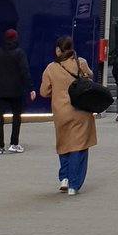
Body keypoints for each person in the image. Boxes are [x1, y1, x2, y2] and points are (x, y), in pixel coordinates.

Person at [39, 36, 97, 196]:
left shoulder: (51, 68)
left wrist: (57, 90)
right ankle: (74, 184)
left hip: (61, 112)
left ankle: (63, 178)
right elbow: (90, 77)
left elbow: (44, 92)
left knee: (64, 144)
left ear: (58, 49)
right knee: (79, 146)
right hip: (81, 111)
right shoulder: (81, 63)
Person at [0, 28, 34, 153]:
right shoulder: (19, 53)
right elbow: (25, 72)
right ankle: (14, 143)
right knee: (16, 116)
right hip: (15, 90)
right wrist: (30, 88)